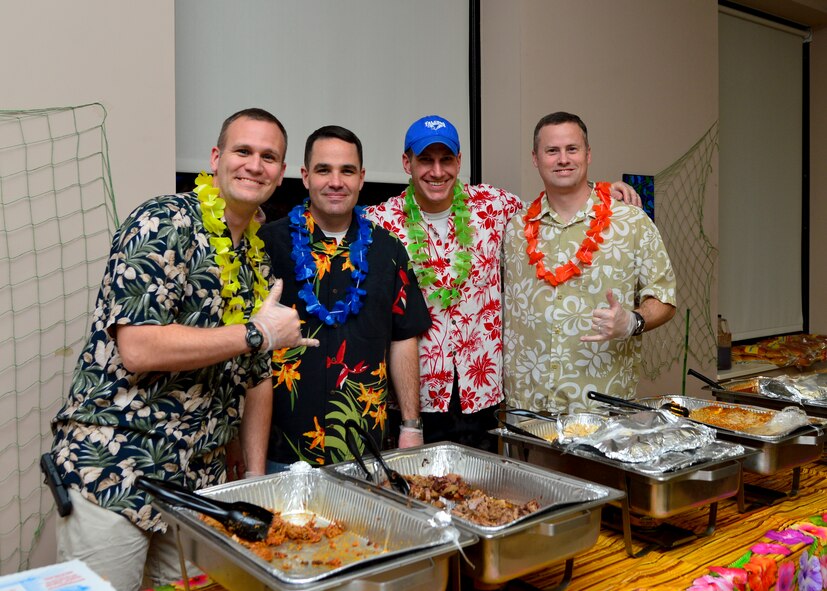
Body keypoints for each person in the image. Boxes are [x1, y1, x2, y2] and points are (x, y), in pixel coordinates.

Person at [47, 108, 318, 591]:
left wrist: (253, 480)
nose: (255, 165)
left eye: (269, 156)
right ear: (216, 158)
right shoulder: (162, 221)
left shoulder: (255, 260)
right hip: (117, 472)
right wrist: (257, 333)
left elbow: (256, 379)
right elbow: (138, 347)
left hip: (198, 487)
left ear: (280, 173)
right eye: (243, 151)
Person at [366, 115, 644, 451]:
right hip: (414, 398)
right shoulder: (379, 223)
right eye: (425, 160)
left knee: (482, 496)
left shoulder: (494, 207)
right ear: (406, 163)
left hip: (480, 394)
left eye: (446, 160)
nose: (437, 172)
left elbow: (556, 210)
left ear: (459, 162)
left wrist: (600, 191)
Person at [259, 125, 431, 470]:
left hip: (366, 449)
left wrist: (411, 426)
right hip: (279, 451)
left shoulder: (389, 250)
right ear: (305, 176)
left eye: (347, 171)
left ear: (362, 177)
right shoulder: (266, 245)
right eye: (324, 170)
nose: (336, 182)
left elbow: (403, 340)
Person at [503, 111, 676, 414]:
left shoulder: (631, 222)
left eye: (572, 149)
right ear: (535, 158)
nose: (563, 159)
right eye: (552, 151)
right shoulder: (514, 228)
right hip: (527, 410)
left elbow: (664, 299)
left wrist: (631, 322)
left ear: (588, 154)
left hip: (601, 408)